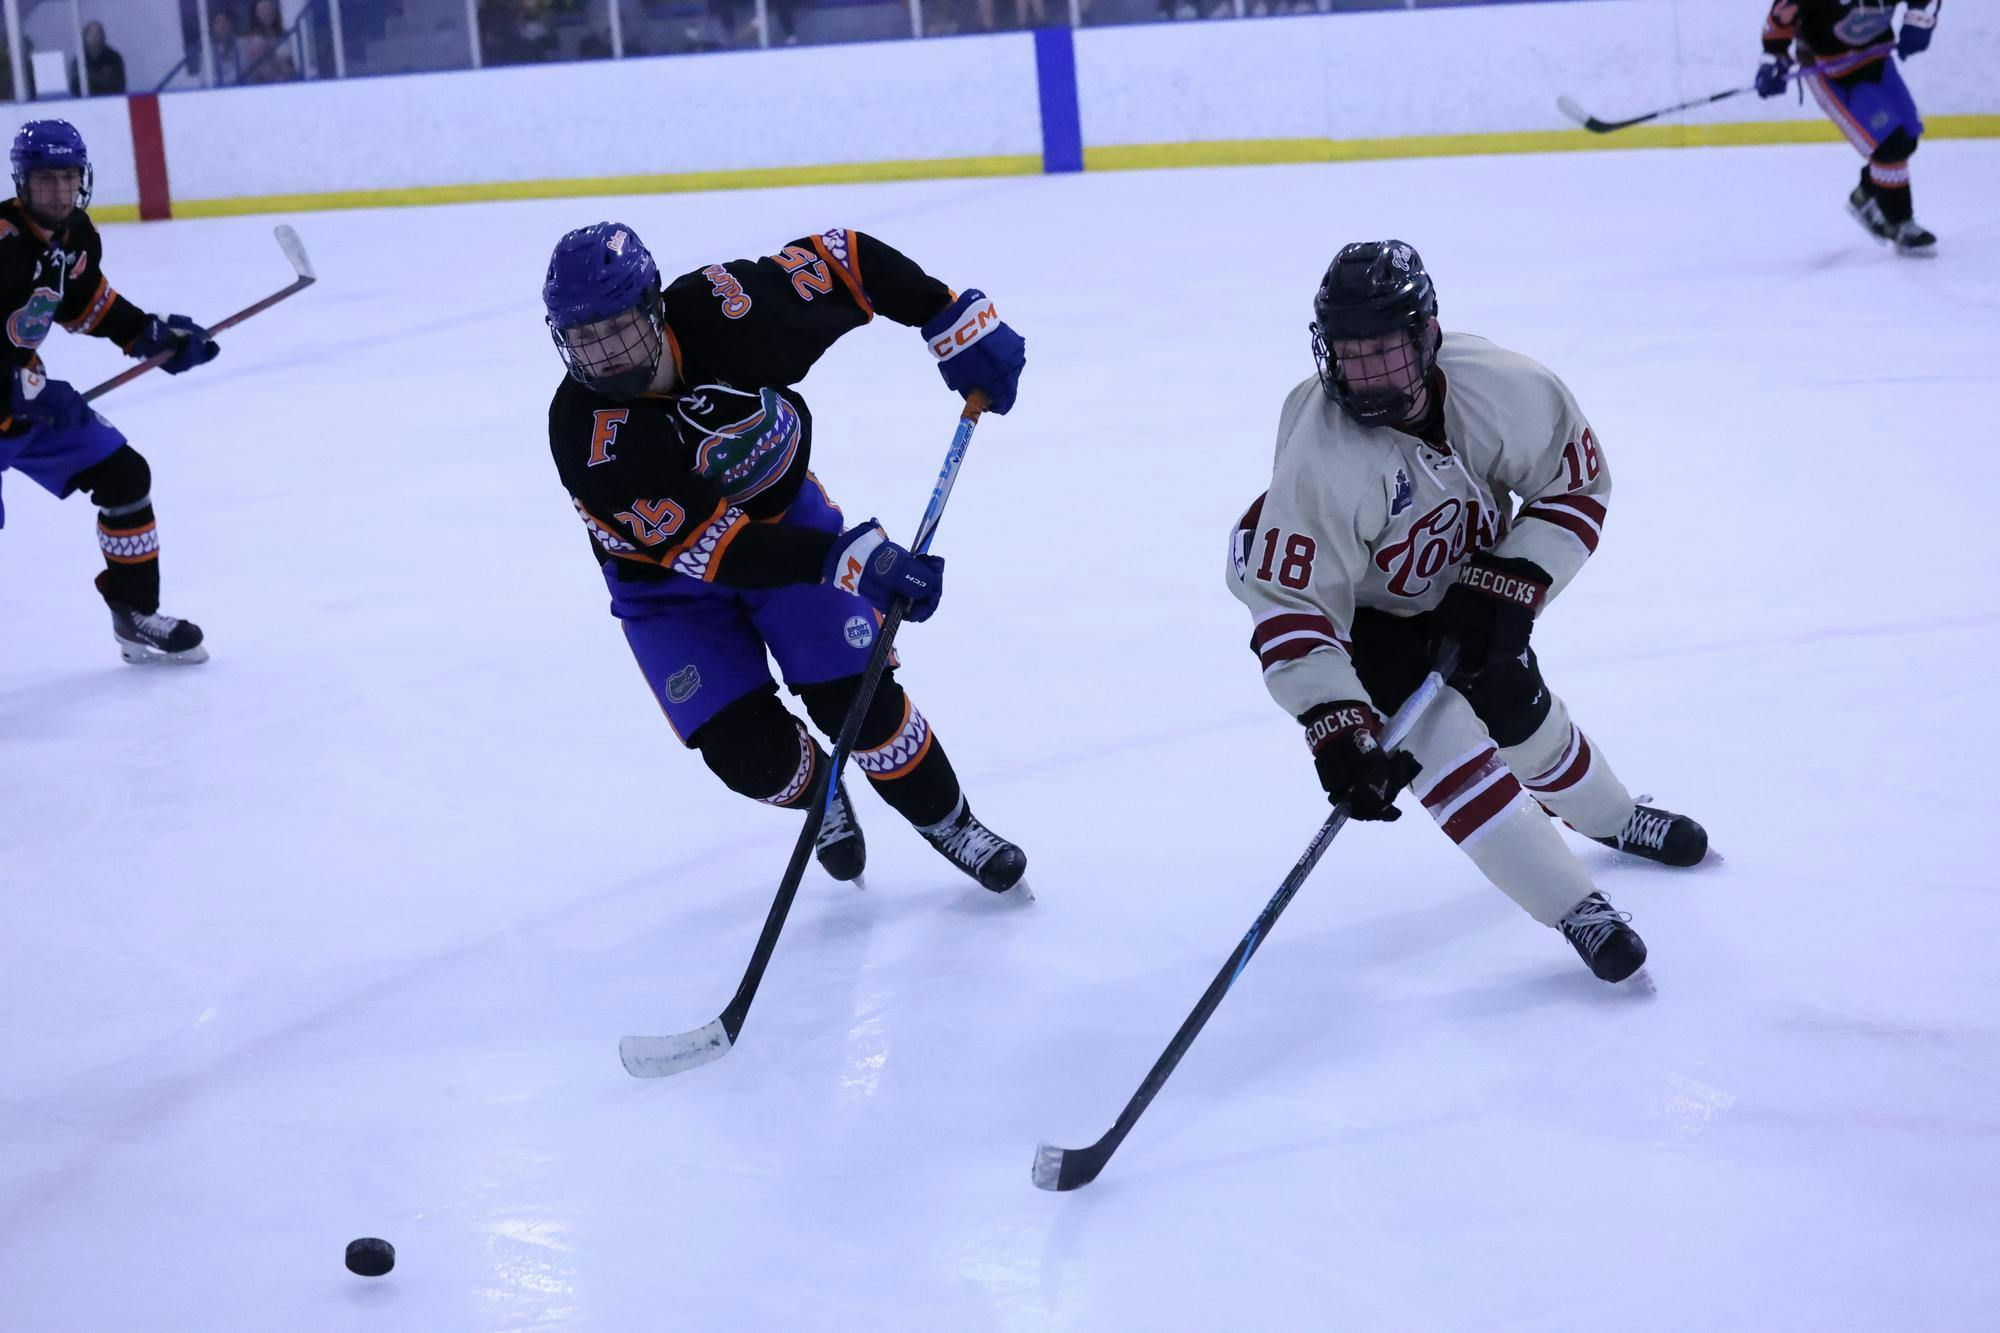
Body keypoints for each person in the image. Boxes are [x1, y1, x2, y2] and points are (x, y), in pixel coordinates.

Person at [1227, 240, 1707, 985]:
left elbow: (1574, 486)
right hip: (1365, 614)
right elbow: (1294, 604)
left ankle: (1612, 817)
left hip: (1465, 580)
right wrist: (1337, 727)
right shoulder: (1322, 454)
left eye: (1384, 351)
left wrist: (1508, 583)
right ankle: (1576, 906)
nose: (1366, 375)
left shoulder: (1504, 386)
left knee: (1520, 711)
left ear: (1427, 335)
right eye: (1350, 355)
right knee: (1443, 746)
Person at [543, 222, 1029, 891]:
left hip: (785, 521)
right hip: (666, 588)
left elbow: (847, 260)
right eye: (582, 339)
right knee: (749, 757)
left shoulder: (729, 311)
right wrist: (856, 561)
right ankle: (821, 791)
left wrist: (948, 317)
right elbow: (725, 552)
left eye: (617, 329)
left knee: (859, 702)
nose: (602, 355)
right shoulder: (585, 436)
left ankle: (951, 823)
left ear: (654, 306)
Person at [0, 122, 220, 664]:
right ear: (22, 182)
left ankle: (134, 613)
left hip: (23, 406)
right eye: (45, 179)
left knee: (124, 475)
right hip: (17, 397)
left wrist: (149, 335)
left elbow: (87, 304)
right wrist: (22, 387)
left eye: (68, 178)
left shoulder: (74, 236)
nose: (59, 192)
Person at [1757, 0, 1941, 255]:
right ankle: (1899, 224)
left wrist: (1918, 18)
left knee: (1908, 135)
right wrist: (1773, 64)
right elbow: (1776, 29)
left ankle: (1865, 197)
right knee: (1889, 145)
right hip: (1833, 75)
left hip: (1877, 60)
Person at [238, 1, 298, 83]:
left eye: (269, 9)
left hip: (286, 81)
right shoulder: (249, 39)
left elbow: (291, 66)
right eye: (263, 10)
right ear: (256, 14)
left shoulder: (285, 36)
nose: (267, 13)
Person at [82, 21, 128, 95]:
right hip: (86, 100)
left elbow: (117, 84)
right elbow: (75, 85)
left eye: (97, 33)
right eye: (91, 34)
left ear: (103, 36)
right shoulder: (80, 60)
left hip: (110, 99)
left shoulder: (113, 57)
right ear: (85, 37)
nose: (94, 37)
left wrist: (94, 77)